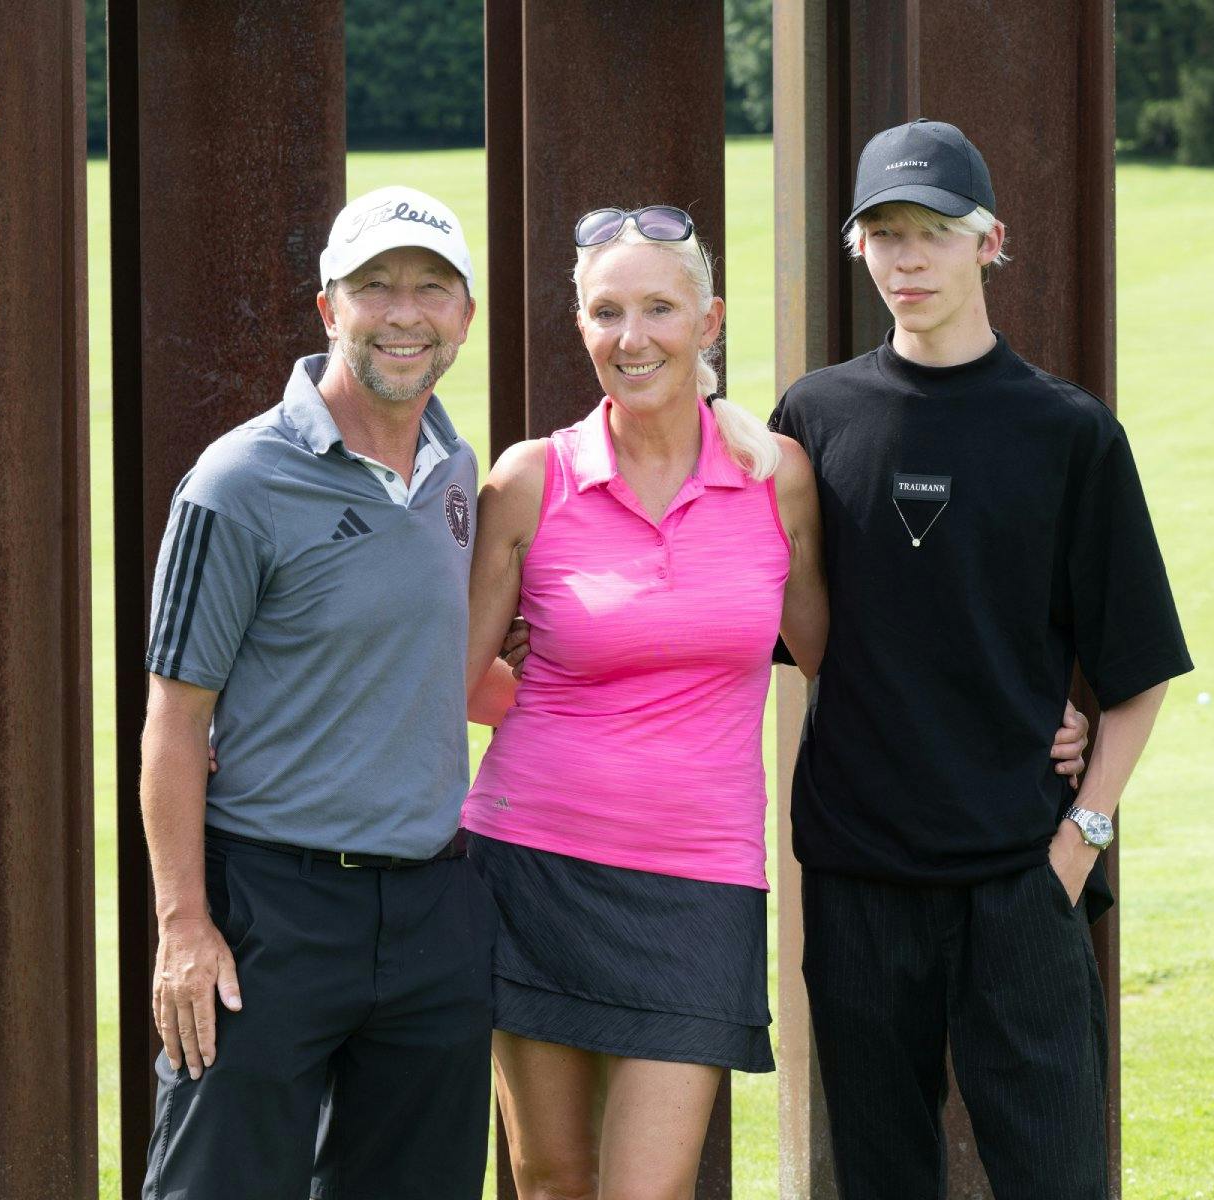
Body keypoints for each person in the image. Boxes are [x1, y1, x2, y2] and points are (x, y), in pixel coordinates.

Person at [458, 205, 1085, 1200]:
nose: (633, 338)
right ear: (579, 325)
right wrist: (550, 694)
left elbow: (848, 650)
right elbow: (454, 681)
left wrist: (1029, 711)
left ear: (708, 322)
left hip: (701, 879)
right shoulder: (530, 482)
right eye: (606, 312)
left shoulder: (775, 478)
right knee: (550, 1183)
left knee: (648, 1191)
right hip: (531, 865)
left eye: (659, 309)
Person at [770, 119, 1194, 1199]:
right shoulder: (812, 422)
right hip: (859, 875)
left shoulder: (1068, 434)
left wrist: (1077, 843)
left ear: (989, 242)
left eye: (935, 234)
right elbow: (760, 624)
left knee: (1057, 1178)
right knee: (880, 1178)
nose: (909, 259)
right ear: (858, 248)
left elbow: (1138, 671)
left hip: (1019, 879)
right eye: (886, 235)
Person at [136, 185, 501, 1200]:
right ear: (329, 309)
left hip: (433, 910)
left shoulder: (455, 471)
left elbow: (434, 664)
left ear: (464, 316)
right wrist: (183, 927)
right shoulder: (236, 482)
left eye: (431, 289)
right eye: (375, 287)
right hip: (269, 914)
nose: (404, 312)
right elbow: (174, 719)